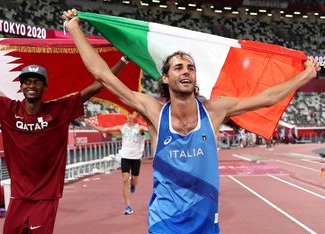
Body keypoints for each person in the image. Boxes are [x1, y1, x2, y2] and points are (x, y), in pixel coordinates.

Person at [62, 9, 321, 233]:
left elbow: (267, 98)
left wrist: (306, 75)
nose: (186, 71)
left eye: (190, 68)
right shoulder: (154, 112)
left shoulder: (215, 110)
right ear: (165, 78)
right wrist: (74, 29)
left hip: (206, 223)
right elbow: (103, 75)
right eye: (178, 67)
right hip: (165, 222)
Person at [0, 33, 129, 234]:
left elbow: (97, 85)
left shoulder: (59, 110)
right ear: (21, 86)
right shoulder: (7, 109)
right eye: (27, 81)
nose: (31, 85)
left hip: (46, 197)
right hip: (18, 197)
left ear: (45, 88)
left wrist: (123, 61)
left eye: (36, 81)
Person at [87, 113, 147, 215]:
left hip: (136, 158)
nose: (129, 117)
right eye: (127, 115)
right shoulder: (121, 127)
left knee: (134, 180)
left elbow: (150, 129)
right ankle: (128, 206)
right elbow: (103, 129)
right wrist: (90, 124)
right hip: (125, 157)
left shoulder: (139, 127)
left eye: (131, 115)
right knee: (124, 180)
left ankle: (133, 184)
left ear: (134, 116)